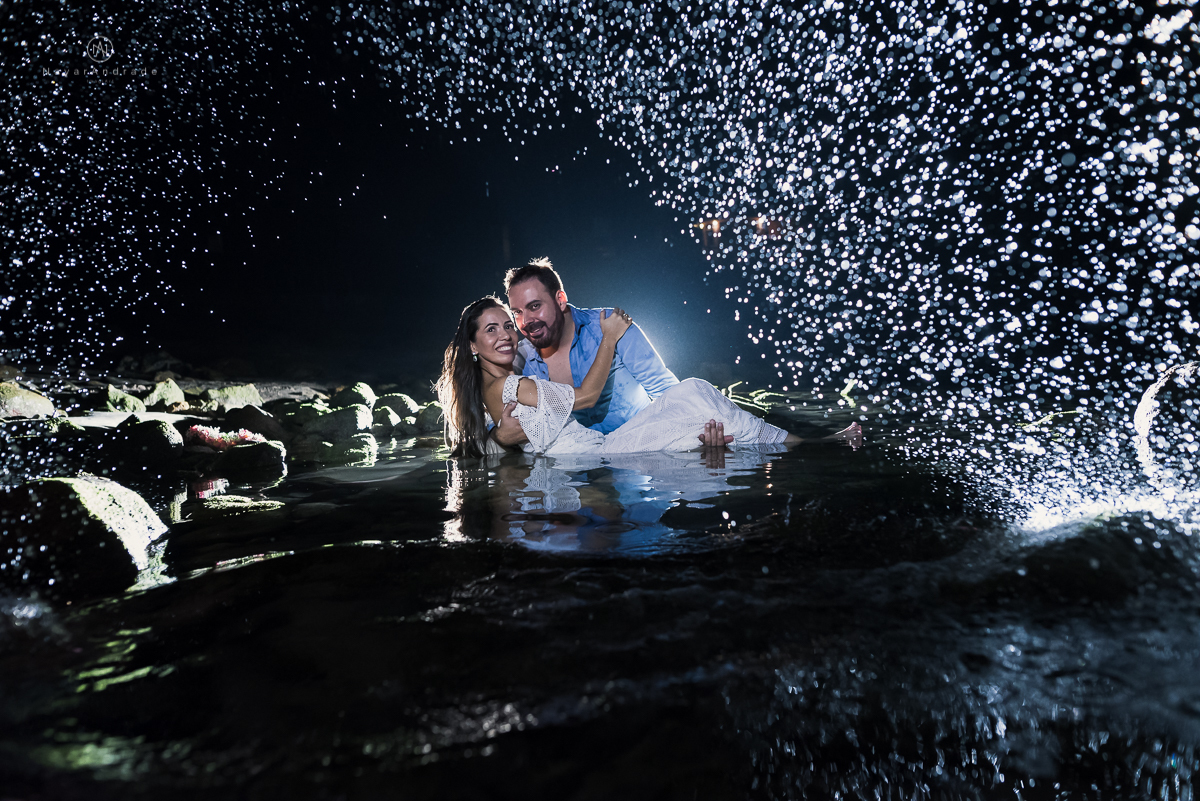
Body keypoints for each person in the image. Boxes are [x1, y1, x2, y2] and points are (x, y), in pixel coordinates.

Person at [436, 296, 859, 458]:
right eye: (493, 330)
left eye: (508, 324)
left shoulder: (511, 368)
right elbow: (582, 399)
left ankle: (797, 441)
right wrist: (609, 338)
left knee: (695, 397)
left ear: (559, 302)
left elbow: (494, 433)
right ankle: (815, 447)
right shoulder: (510, 383)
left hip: (605, 447)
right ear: (473, 346)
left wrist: (494, 438)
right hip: (600, 457)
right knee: (699, 402)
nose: (513, 331)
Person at [492, 258, 678, 447]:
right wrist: (498, 437)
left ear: (560, 300)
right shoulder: (519, 359)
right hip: (574, 470)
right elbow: (495, 421)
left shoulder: (613, 327)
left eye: (535, 306)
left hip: (642, 455)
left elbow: (667, 392)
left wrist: (701, 431)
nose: (526, 321)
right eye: (517, 312)